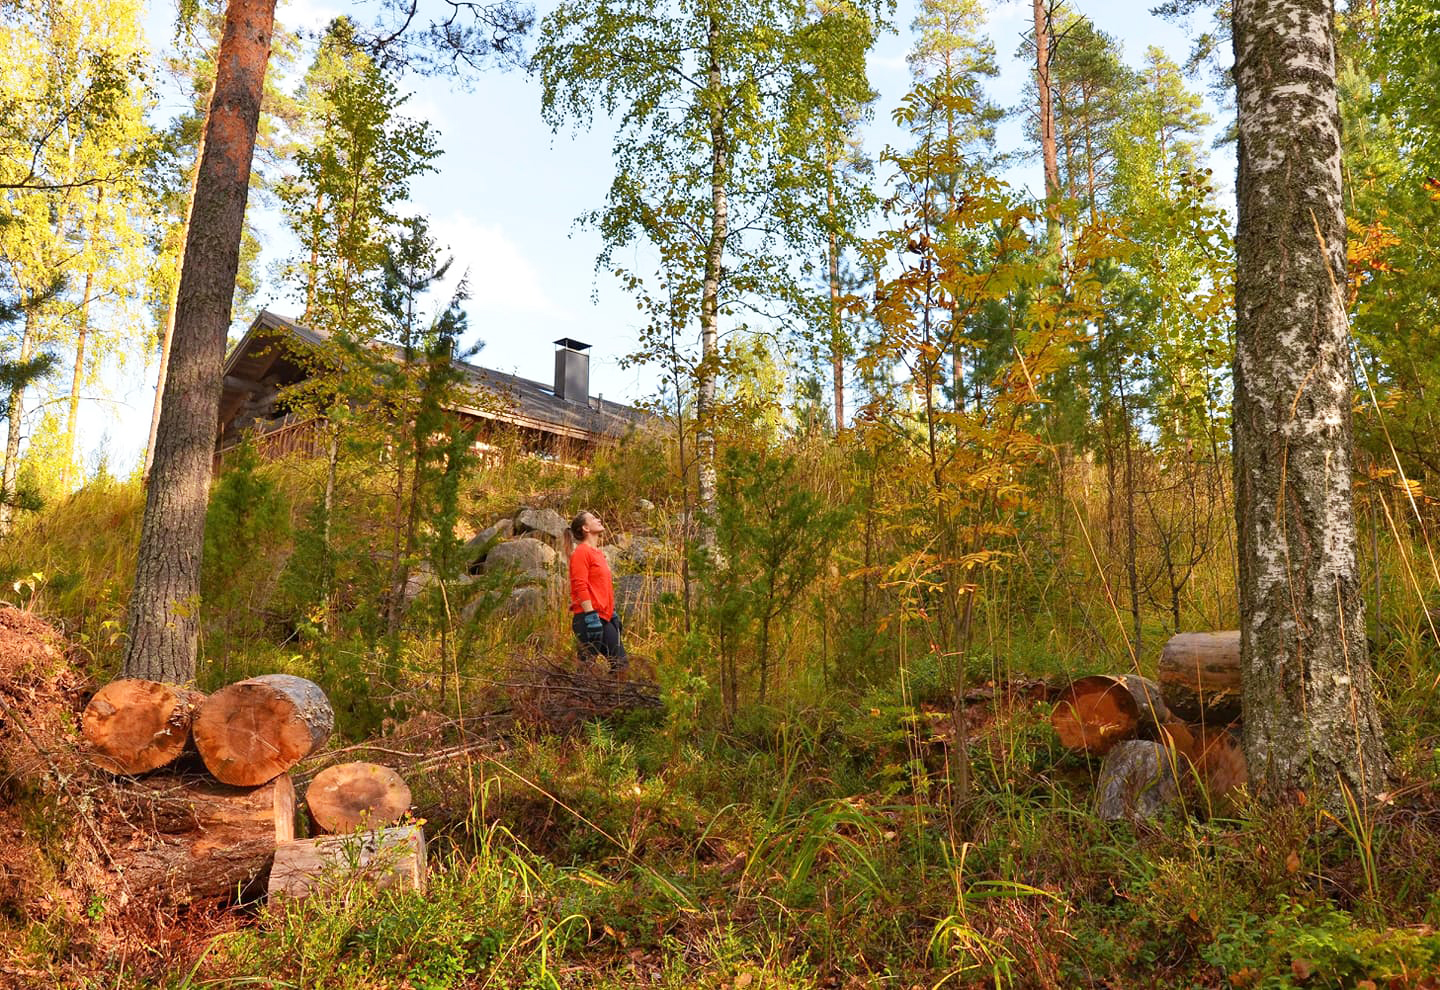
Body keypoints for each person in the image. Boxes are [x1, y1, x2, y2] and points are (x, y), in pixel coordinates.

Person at [568, 510, 626, 670]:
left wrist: (611, 612)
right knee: (586, 670)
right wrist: (590, 615)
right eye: (593, 518)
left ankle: (611, 695)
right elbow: (580, 585)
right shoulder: (581, 552)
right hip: (588, 619)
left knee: (621, 666)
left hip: (603, 617)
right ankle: (573, 695)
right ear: (585, 528)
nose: (599, 519)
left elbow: (602, 588)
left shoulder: (598, 554)